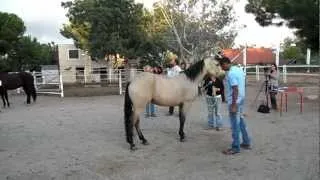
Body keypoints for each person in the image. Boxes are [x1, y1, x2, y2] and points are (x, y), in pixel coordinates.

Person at [219, 56, 251, 155]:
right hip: (241, 99)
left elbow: (235, 89)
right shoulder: (239, 69)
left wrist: (233, 104)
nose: (221, 68)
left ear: (225, 63)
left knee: (234, 125)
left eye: (222, 66)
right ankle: (246, 142)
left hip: (235, 101)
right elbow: (243, 84)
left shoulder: (231, 74)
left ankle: (235, 147)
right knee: (240, 121)